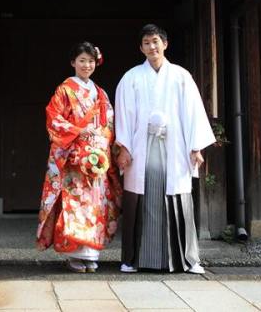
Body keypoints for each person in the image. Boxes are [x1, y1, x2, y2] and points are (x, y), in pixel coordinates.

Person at [115, 24, 215, 274]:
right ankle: (133, 259)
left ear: (165, 44)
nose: (152, 47)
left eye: (156, 41)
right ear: (141, 47)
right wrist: (124, 148)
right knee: (141, 197)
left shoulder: (181, 76)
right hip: (142, 146)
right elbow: (124, 115)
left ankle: (188, 259)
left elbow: (192, 113)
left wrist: (195, 147)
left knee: (179, 196)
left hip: (175, 145)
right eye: (146, 43)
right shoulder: (131, 78)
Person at [37, 42, 122, 273]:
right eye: (82, 60)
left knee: (96, 204)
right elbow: (53, 119)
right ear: (73, 62)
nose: (87, 65)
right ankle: (74, 254)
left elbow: (109, 124)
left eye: (91, 61)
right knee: (75, 204)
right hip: (73, 156)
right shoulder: (65, 90)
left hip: (97, 156)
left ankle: (92, 253)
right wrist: (77, 133)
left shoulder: (101, 93)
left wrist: (103, 148)